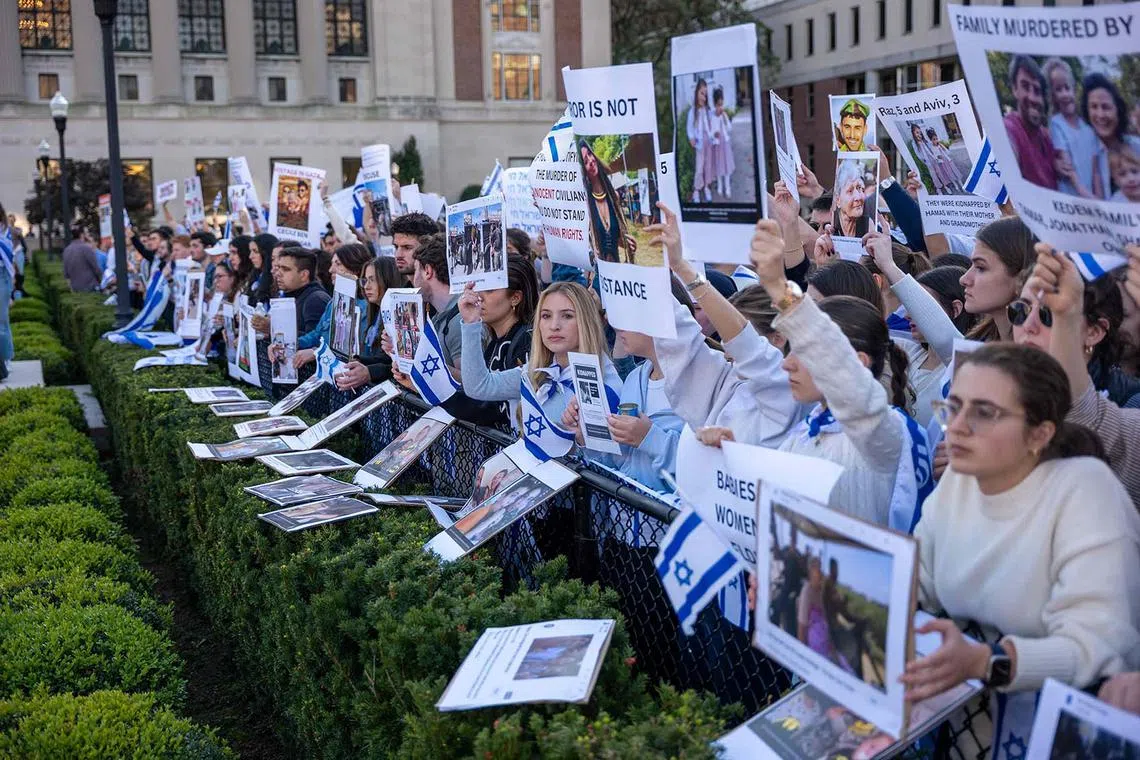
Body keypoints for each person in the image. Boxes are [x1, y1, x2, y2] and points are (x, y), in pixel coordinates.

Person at [902, 344, 1140, 754]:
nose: (955, 427)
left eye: (983, 412)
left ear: (1040, 434)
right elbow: (913, 578)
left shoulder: (1084, 489)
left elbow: (1099, 645)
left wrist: (984, 661)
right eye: (953, 407)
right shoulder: (962, 478)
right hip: (965, 726)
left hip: (1066, 729)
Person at [650, 204, 805, 448]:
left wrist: (682, 267)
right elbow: (681, 341)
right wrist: (645, 270)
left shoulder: (788, 391)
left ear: (778, 338)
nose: (727, 343)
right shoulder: (729, 381)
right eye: (726, 332)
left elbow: (747, 345)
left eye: (732, 330)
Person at [1025, 244, 1140, 506]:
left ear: (1094, 332)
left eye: (1046, 315)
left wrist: (1066, 316)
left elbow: (1086, 417)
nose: (1028, 325)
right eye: (1019, 311)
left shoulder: (1130, 398)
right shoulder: (992, 384)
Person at [460, 281, 618, 431]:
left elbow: (614, 457)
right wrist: (471, 323)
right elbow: (479, 387)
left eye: (567, 316)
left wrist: (581, 442)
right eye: (546, 316)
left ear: (586, 322)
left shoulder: (604, 380)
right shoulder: (536, 373)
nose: (554, 326)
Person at [434, 254, 539, 427]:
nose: (478, 298)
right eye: (477, 289)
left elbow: (486, 408)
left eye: (489, 290)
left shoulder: (526, 341)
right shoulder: (494, 341)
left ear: (515, 298)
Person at [335, 256, 405, 390]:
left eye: (373, 280)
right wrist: (358, 360)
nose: (366, 286)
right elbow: (381, 357)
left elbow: (394, 362)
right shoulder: (375, 313)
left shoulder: (398, 314)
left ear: (388, 279)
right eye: (365, 280)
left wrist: (369, 371)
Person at [1044, 58, 1104, 199]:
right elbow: (1070, 172)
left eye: (1067, 88)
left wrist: (1100, 201)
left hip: (1092, 200)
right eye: (1058, 90)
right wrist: (1092, 200)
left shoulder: (1088, 126)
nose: (1065, 94)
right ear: (1053, 96)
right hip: (1073, 201)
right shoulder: (1057, 124)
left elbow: (1095, 172)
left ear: (1074, 89)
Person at [1003, 55, 1058, 191]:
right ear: (1015, 89)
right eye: (1025, 86)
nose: (1033, 98)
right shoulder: (1009, 129)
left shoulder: (1045, 136)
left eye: (1037, 91)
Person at [1084, 73, 1140, 200]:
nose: (1100, 114)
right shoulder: (1088, 153)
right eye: (1094, 107)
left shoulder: (1137, 146)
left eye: (1106, 107)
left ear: (1117, 110)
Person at [580, 141, 637, 265]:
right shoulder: (585, 204)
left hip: (619, 273)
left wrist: (629, 244)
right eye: (585, 160)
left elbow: (618, 240)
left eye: (590, 154)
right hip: (598, 275)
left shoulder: (613, 197)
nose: (590, 160)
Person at [273, 248, 329, 336]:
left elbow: (316, 341)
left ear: (304, 275)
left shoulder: (316, 300)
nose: (278, 274)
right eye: (278, 267)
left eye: (285, 269)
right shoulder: (288, 294)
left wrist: (273, 328)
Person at [390, 212, 439, 282]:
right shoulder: (398, 291)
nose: (398, 255)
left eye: (407, 247)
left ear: (427, 247)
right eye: (396, 247)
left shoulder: (445, 291)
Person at [687, 78, 714, 203]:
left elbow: (712, 124)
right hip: (700, 142)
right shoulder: (693, 111)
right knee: (700, 167)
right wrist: (691, 137)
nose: (704, 97)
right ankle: (696, 190)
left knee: (708, 166)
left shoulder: (708, 110)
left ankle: (707, 187)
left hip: (709, 141)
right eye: (702, 93)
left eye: (706, 94)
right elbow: (690, 126)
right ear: (697, 93)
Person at [831, 159, 875, 239]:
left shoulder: (868, 225)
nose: (858, 197)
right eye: (850, 191)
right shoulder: (831, 223)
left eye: (859, 188)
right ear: (838, 200)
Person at [709, 86, 735, 199]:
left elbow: (729, 128)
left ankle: (727, 187)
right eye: (718, 105)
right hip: (717, 144)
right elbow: (709, 132)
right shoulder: (711, 115)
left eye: (722, 104)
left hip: (725, 143)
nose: (721, 107)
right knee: (719, 166)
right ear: (715, 104)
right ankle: (720, 186)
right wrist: (713, 134)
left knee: (727, 166)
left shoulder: (723, 115)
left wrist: (724, 118)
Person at [62, 224, 104, 292]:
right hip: (90, 288)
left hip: (75, 288)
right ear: (82, 235)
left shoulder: (66, 250)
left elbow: (66, 274)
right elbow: (96, 268)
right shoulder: (87, 248)